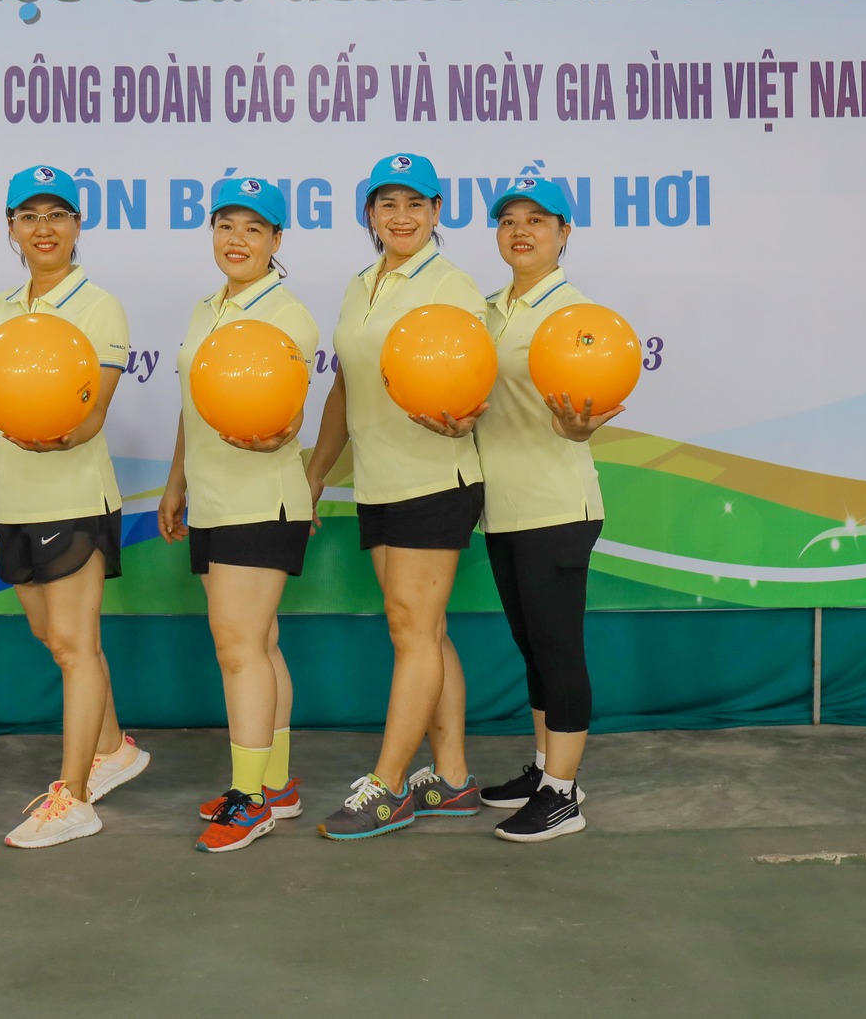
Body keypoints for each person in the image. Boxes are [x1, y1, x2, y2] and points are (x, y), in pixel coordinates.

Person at [0, 165, 150, 849]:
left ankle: (74, 798)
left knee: (75, 646)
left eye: (57, 215)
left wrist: (59, 434)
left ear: (77, 225)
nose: (44, 229)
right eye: (30, 216)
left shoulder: (99, 306)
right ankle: (115, 749)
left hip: (73, 497)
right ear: (12, 227)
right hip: (14, 501)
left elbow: (95, 410)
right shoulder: (3, 308)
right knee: (56, 639)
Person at [305, 152, 488, 840]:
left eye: (416, 203)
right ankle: (453, 777)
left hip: (434, 477)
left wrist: (469, 414)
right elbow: (345, 386)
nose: (401, 216)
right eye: (388, 204)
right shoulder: (361, 285)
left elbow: (475, 374)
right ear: (370, 214)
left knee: (412, 631)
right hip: (378, 480)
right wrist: (316, 472)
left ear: (437, 211)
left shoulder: (452, 284)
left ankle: (387, 787)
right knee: (423, 631)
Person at [159, 178, 317, 853]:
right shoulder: (207, 308)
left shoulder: (287, 314)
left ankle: (248, 799)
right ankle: (275, 784)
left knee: (239, 646)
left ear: (276, 240)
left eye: (254, 228)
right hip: (213, 497)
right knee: (261, 642)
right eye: (226, 225)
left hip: (260, 500)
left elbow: (289, 408)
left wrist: (283, 432)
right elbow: (195, 405)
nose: (237, 239)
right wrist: (176, 483)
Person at [473, 177, 626, 842]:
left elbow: (581, 413)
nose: (521, 230)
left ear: (565, 233)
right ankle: (544, 768)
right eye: (509, 219)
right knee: (532, 646)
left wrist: (578, 426)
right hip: (501, 505)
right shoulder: (486, 310)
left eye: (537, 219)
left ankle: (563, 794)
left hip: (555, 506)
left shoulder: (577, 316)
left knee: (559, 649)